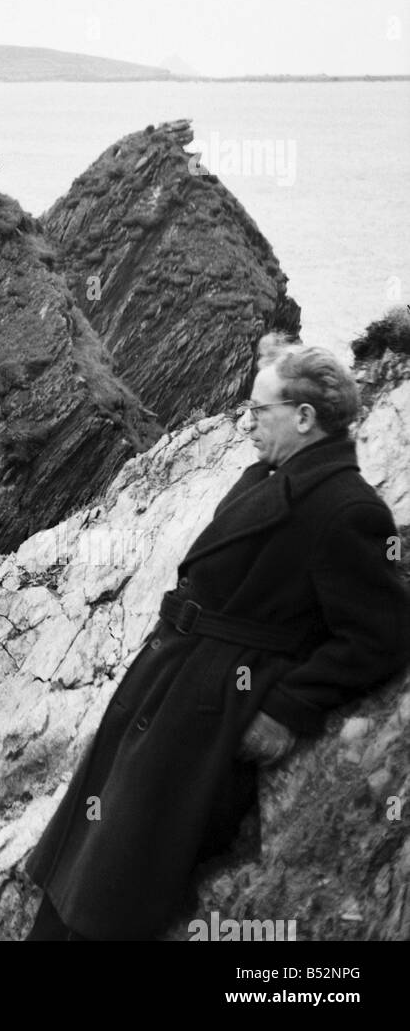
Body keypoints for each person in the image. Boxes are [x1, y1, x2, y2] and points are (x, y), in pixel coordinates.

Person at [23, 333, 410, 941]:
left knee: (120, 873)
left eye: (259, 411)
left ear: (305, 417)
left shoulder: (348, 508)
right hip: (173, 679)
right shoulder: (268, 476)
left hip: (206, 709)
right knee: (92, 853)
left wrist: (288, 708)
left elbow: (381, 635)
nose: (246, 423)